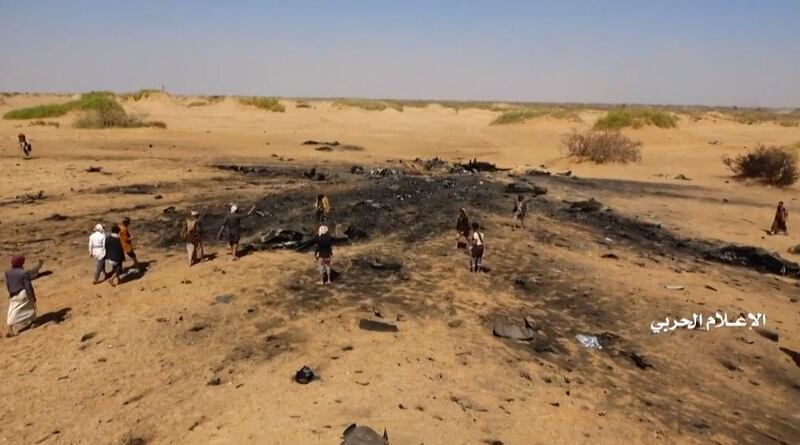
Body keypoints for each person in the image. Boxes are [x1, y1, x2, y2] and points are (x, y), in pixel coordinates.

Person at [5, 255, 37, 337]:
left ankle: (10, 328)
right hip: (22, 293)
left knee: (13, 310)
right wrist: (32, 296)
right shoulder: (24, 272)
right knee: (30, 306)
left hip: (13, 294)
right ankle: (33, 322)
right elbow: (28, 286)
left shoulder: (8, 272)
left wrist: (10, 293)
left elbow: (8, 285)